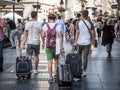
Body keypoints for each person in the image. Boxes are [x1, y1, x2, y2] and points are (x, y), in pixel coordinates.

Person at [74, 10, 96, 77]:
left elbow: (77, 32)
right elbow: (93, 33)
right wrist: (93, 40)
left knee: (78, 56)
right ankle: (84, 71)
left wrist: (75, 42)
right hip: (87, 42)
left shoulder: (78, 22)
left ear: (82, 15)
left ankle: (79, 69)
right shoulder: (90, 23)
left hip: (80, 42)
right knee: (85, 57)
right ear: (87, 15)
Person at [42, 14, 62, 84]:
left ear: (48, 19)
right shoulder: (58, 26)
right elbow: (60, 37)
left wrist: (43, 43)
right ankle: (56, 75)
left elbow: (43, 35)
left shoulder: (45, 26)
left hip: (48, 46)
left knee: (49, 62)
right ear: (55, 19)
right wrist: (61, 47)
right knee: (56, 61)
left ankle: (50, 77)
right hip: (56, 46)